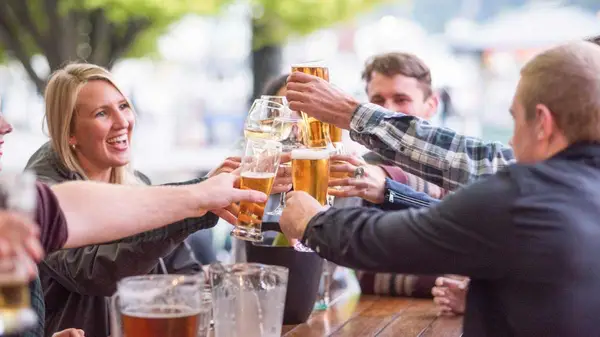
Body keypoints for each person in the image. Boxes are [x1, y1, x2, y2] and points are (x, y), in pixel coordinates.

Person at [281, 41, 600, 336]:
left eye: (515, 120)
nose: (511, 143)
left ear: (542, 123)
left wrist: (314, 222)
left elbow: (386, 242)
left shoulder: (521, 196)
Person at [22, 63, 236, 337]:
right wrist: (196, 200)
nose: (122, 122)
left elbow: (184, 272)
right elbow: (94, 271)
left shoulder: (138, 183)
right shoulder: (42, 201)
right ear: (69, 133)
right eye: (102, 113)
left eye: (123, 106)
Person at [327, 53, 450, 299]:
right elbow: (369, 276)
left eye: (401, 99)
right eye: (378, 100)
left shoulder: (455, 164)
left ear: (432, 105)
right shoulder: (360, 169)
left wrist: (386, 182)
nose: (387, 111)